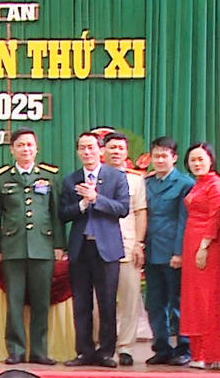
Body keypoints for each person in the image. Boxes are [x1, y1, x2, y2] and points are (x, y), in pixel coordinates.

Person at [0, 127, 64, 366]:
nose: (25, 149)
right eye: (20, 145)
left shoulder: (49, 176)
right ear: (12, 149)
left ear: (36, 148)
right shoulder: (1, 178)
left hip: (43, 246)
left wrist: (59, 245)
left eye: (30, 145)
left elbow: (56, 214)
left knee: (41, 302)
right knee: (15, 302)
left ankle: (39, 351)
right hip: (13, 247)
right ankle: (16, 350)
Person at [59, 132, 130, 368]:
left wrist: (96, 198)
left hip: (107, 249)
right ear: (77, 152)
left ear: (100, 150)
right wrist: (81, 204)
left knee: (107, 302)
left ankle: (106, 352)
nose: (87, 152)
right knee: (81, 303)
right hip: (80, 249)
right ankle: (84, 351)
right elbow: (63, 213)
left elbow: (123, 208)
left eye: (91, 147)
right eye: (82, 148)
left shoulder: (116, 177)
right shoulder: (71, 180)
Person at [144, 136, 193, 366]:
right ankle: (161, 347)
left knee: (178, 303)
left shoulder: (184, 184)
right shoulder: (147, 183)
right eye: (156, 156)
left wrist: (179, 252)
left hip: (173, 253)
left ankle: (184, 347)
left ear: (174, 157)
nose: (160, 160)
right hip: (151, 252)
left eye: (164, 156)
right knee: (154, 303)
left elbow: (184, 221)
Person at [98, 132, 147, 366]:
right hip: (99, 247)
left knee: (129, 299)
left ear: (126, 153)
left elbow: (140, 213)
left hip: (127, 245)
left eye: (120, 148)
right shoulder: (94, 176)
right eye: (112, 147)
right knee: (99, 301)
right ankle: (101, 345)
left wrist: (139, 243)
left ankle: (126, 347)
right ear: (103, 151)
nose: (116, 152)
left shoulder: (136, 180)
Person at [181, 142, 220, 369]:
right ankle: (197, 353)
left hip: (208, 245)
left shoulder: (217, 185)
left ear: (211, 160)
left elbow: (214, 218)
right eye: (193, 160)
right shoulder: (198, 184)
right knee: (194, 299)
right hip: (191, 242)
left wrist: (204, 246)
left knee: (208, 298)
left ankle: (211, 354)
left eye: (201, 159)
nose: (197, 163)